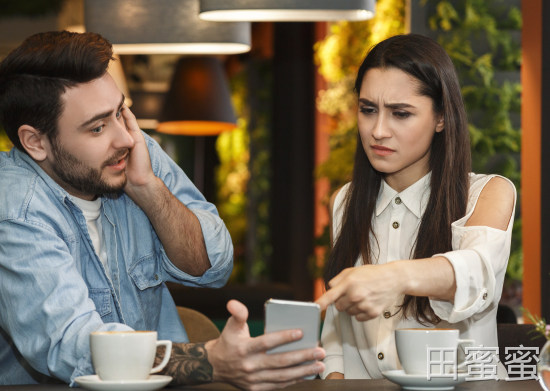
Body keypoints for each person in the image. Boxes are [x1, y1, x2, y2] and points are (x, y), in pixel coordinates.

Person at [0, 31, 325, 388]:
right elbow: (74, 345)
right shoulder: (14, 208)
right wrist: (210, 362)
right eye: (96, 127)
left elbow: (212, 266)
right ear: (35, 142)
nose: (124, 138)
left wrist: (148, 189)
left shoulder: (131, 152)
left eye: (120, 113)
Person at [315, 34, 516, 379]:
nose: (378, 130)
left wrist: (394, 276)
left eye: (401, 113)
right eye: (368, 110)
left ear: (440, 118)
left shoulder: (488, 193)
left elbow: (476, 272)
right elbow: (338, 337)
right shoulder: (345, 202)